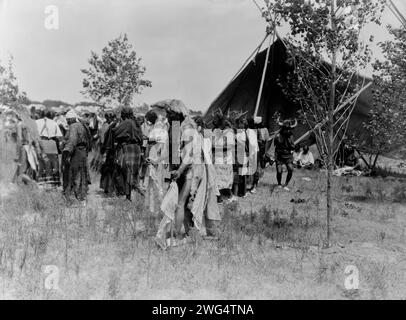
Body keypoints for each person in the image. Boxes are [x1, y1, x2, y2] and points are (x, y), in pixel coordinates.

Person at [62, 110, 92, 206]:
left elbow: (72, 141)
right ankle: (82, 199)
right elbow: (89, 141)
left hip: (76, 153)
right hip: (82, 153)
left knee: (74, 175)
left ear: (71, 119)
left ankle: (75, 200)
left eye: (67, 120)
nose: (67, 122)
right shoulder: (83, 126)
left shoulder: (74, 126)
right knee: (82, 175)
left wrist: (67, 153)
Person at [113, 106, 143, 201]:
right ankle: (130, 194)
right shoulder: (136, 123)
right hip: (136, 149)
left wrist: (115, 124)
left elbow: (115, 132)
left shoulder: (126, 122)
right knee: (133, 172)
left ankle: (128, 196)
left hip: (127, 148)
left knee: (125, 171)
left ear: (123, 114)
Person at [143, 110, 170, 214]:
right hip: (160, 159)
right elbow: (165, 147)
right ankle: (159, 208)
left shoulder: (154, 130)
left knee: (153, 184)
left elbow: (147, 144)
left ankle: (154, 208)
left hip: (154, 158)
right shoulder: (163, 130)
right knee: (159, 184)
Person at [36, 109, 63, 188]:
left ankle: (42, 184)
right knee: (53, 163)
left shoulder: (36, 122)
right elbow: (59, 136)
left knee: (42, 163)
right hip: (52, 143)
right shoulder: (54, 122)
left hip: (41, 142)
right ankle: (52, 184)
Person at [274, 118, 297, 191]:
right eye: (285, 129)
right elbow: (274, 146)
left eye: (288, 129)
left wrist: (291, 145)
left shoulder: (290, 135)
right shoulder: (277, 136)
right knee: (279, 171)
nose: (287, 131)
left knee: (290, 169)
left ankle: (286, 184)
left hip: (288, 155)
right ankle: (279, 184)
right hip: (279, 155)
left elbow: (293, 146)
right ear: (282, 128)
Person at [99, 110, 117, 196]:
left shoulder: (112, 125)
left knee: (111, 169)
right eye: (109, 117)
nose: (110, 118)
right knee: (107, 169)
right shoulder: (105, 126)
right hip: (107, 149)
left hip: (112, 149)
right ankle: (107, 188)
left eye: (112, 117)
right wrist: (105, 153)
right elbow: (103, 140)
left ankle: (109, 188)